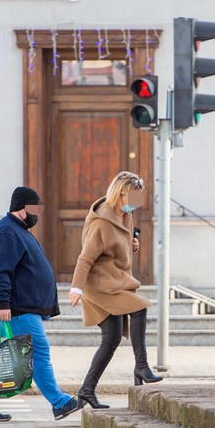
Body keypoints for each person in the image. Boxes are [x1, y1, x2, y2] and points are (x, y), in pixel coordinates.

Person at [0, 187, 80, 422]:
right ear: (22, 207)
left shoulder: (17, 229)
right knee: (39, 354)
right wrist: (2, 302)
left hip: (21, 307)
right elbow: (1, 271)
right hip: (17, 308)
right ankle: (59, 402)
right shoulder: (7, 232)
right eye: (34, 208)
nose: (37, 214)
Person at [69, 172, 161, 409]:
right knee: (140, 307)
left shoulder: (126, 216)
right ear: (120, 194)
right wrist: (76, 288)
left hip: (115, 280)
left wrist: (133, 244)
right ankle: (141, 366)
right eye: (133, 196)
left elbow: (119, 246)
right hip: (100, 285)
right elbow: (85, 259)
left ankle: (86, 390)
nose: (136, 201)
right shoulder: (101, 223)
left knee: (110, 340)